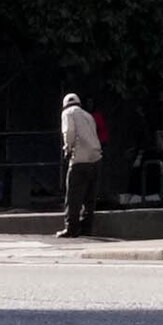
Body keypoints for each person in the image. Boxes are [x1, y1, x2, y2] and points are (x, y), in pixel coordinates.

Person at [57, 87, 105, 239]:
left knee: (73, 196)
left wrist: (67, 148)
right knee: (90, 197)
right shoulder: (88, 115)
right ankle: (86, 227)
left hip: (79, 159)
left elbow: (69, 132)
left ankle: (71, 228)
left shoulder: (67, 113)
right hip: (96, 158)